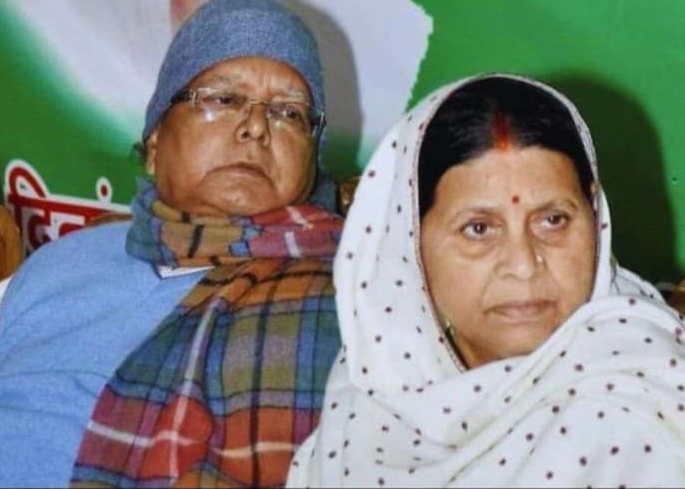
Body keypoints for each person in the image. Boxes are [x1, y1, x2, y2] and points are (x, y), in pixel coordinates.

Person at [0, 0, 344, 486]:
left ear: (311, 161)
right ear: (154, 143)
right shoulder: (54, 266)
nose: (256, 127)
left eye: (289, 113)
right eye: (222, 99)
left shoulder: (345, 300)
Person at [288, 74, 685, 487]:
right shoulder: (368, 401)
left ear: (595, 217)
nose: (523, 265)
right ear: (408, 245)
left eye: (553, 220)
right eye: (479, 229)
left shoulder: (645, 406)